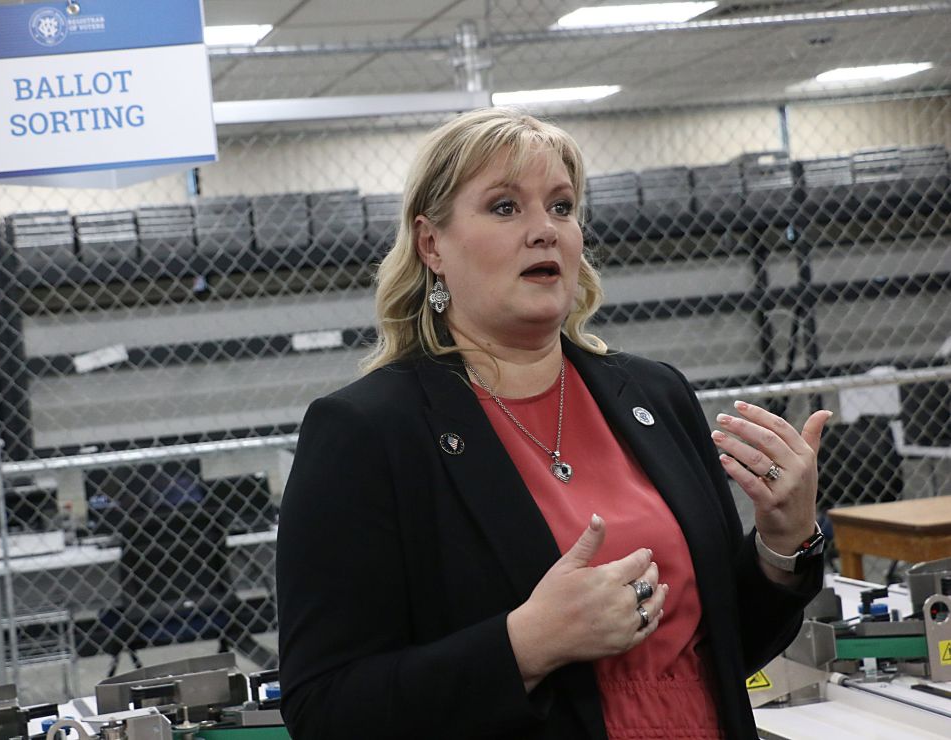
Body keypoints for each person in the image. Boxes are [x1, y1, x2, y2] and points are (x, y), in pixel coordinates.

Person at [275, 107, 830, 739]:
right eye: (506, 208)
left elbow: (720, 650)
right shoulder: (367, 433)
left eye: (562, 207)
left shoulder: (654, 393)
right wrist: (525, 646)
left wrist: (782, 544)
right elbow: (326, 709)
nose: (546, 231)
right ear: (432, 244)